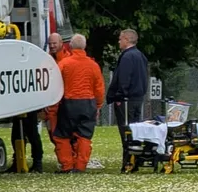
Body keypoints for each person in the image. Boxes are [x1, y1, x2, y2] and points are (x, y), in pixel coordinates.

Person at [52, 33, 106, 172]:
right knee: (84, 136)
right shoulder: (93, 65)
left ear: (70, 46)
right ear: (85, 46)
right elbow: (99, 88)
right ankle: (80, 166)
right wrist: (98, 105)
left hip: (69, 103)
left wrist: (53, 105)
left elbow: (55, 85)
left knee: (62, 135)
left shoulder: (64, 63)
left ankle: (67, 165)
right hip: (88, 104)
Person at [106, 28, 149, 148]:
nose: (118, 42)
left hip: (126, 100)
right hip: (138, 98)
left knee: (125, 129)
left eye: (120, 39)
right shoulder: (141, 56)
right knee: (135, 129)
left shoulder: (127, 57)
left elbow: (124, 78)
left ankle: (128, 158)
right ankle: (135, 155)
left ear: (126, 40)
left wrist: (119, 96)